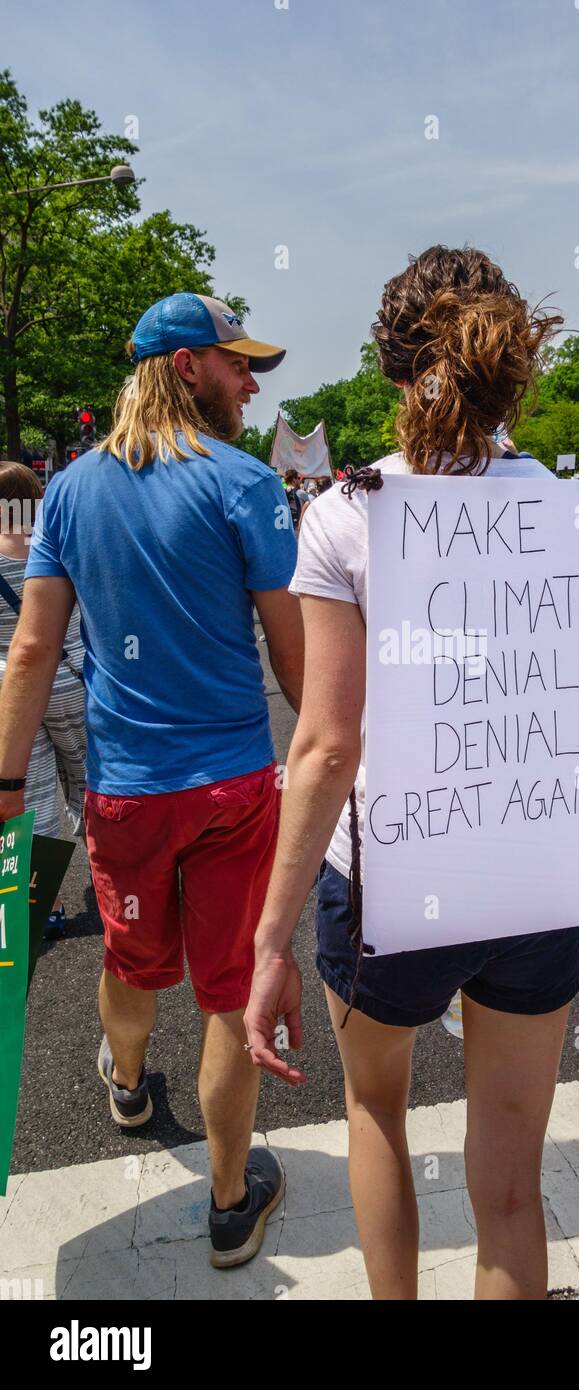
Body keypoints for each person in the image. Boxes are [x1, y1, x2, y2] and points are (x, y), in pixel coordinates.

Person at [244, 245, 579, 1301]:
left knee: (375, 1116)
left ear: (395, 370)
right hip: (531, 865)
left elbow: (327, 745)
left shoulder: (346, 510)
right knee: (513, 1186)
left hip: (392, 875)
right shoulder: (568, 503)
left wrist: (267, 938)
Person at [0, 292, 304, 1270]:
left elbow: (33, 648)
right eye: (236, 364)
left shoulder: (72, 492)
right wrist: (334, 760)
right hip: (231, 785)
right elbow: (298, 663)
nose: (251, 383)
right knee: (227, 992)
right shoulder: (243, 483)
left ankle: (127, 1083)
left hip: (126, 790)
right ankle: (228, 1205)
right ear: (184, 367)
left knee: (131, 960)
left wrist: (7, 787)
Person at [0, 462, 87, 935]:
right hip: (71, 676)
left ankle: (41, 905)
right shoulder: (57, 545)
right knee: (92, 784)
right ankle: (115, 882)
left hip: (11, 691)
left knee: (26, 799)